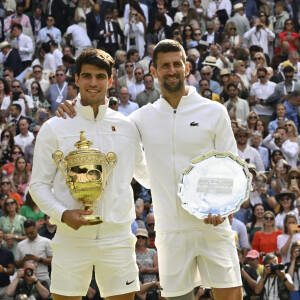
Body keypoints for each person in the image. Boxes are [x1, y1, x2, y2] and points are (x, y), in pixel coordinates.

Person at [57, 39, 242, 299]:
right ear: (153, 71)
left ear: (187, 67)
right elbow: (102, 123)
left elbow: (233, 166)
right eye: (164, 65)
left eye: (177, 64)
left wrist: (223, 207)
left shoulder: (214, 111)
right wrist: (74, 106)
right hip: (170, 231)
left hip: (213, 225)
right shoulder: (140, 118)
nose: (172, 70)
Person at [30, 48, 149, 300]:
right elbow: (38, 185)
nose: (93, 83)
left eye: (100, 76)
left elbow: (148, 176)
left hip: (117, 237)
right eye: (86, 76)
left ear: (111, 80)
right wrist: (62, 213)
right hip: (71, 237)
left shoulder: (128, 127)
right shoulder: (54, 127)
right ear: (76, 79)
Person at [15, 219, 52, 284]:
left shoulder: (46, 242)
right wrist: (24, 260)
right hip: (26, 279)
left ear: (36, 229)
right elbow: (17, 265)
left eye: (32, 233)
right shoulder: (20, 245)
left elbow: (52, 261)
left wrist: (38, 259)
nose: (29, 235)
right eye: (27, 233)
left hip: (42, 277)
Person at [0, 229, 15, 300]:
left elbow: (12, 271)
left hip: (5, 288)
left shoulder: (8, 253)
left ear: (2, 238)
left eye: (0, 237)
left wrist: (4, 270)